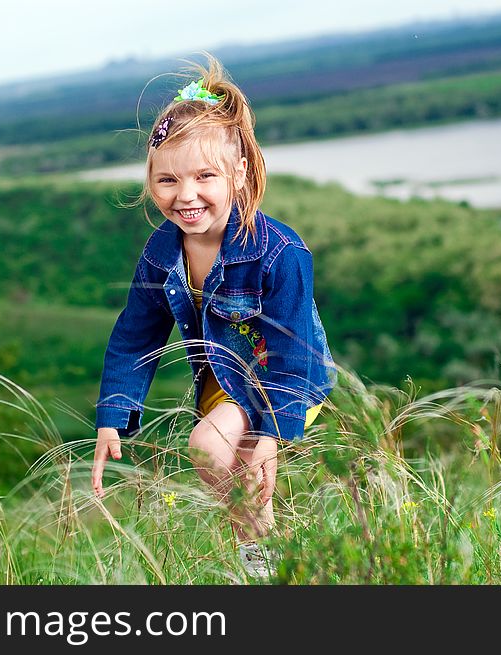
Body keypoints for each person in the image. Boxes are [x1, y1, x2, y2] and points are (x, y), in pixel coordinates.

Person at [90, 54, 336, 580]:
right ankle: (272, 558)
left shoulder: (280, 252)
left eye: (205, 176)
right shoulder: (161, 253)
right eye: (166, 180)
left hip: (283, 375)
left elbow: (295, 354)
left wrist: (271, 432)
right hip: (222, 381)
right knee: (239, 477)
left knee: (209, 448)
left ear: (239, 172)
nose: (185, 196)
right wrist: (113, 413)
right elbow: (135, 336)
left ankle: (268, 557)